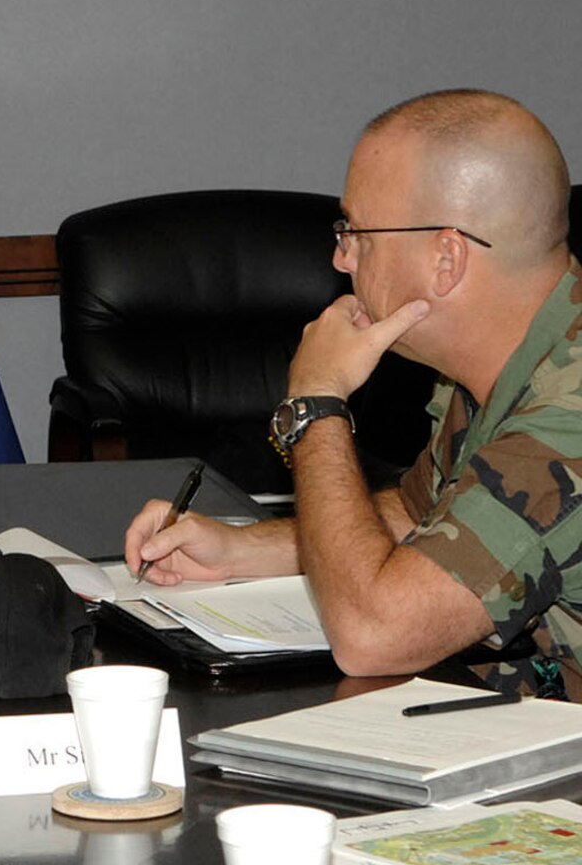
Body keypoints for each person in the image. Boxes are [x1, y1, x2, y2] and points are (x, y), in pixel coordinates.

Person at [126, 89, 582, 698]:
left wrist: (316, 403)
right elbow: (422, 519)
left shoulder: (565, 416)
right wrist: (239, 550)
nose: (341, 258)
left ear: (446, 257)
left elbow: (373, 635)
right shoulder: (505, 362)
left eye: (357, 232)